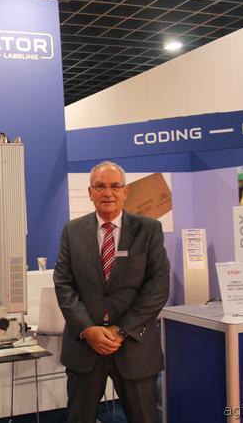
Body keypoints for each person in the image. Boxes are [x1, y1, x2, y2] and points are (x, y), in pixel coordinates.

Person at [54, 161, 170, 423]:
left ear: (125, 191)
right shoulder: (72, 231)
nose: (108, 193)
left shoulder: (149, 229)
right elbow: (63, 284)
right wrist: (88, 329)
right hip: (85, 349)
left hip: (134, 347)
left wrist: (121, 330)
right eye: (100, 186)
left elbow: (157, 286)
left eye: (115, 186)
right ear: (90, 192)